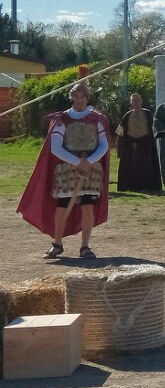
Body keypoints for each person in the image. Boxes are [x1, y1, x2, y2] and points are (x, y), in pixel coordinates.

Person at [19, 79, 111, 262]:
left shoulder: (97, 119)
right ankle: (57, 243)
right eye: (76, 96)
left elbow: (104, 145)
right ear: (72, 97)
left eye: (82, 96)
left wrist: (88, 161)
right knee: (62, 206)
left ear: (87, 98)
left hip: (91, 168)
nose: (79, 99)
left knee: (87, 206)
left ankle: (85, 247)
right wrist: (77, 162)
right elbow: (55, 147)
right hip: (67, 168)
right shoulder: (63, 119)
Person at [114, 91, 160, 193]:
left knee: (145, 166)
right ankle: (130, 186)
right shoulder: (127, 115)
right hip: (130, 145)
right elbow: (120, 132)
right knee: (130, 166)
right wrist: (119, 146)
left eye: (137, 100)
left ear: (141, 101)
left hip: (145, 144)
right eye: (133, 100)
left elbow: (154, 129)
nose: (136, 102)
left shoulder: (148, 114)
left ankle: (146, 186)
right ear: (131, 102)